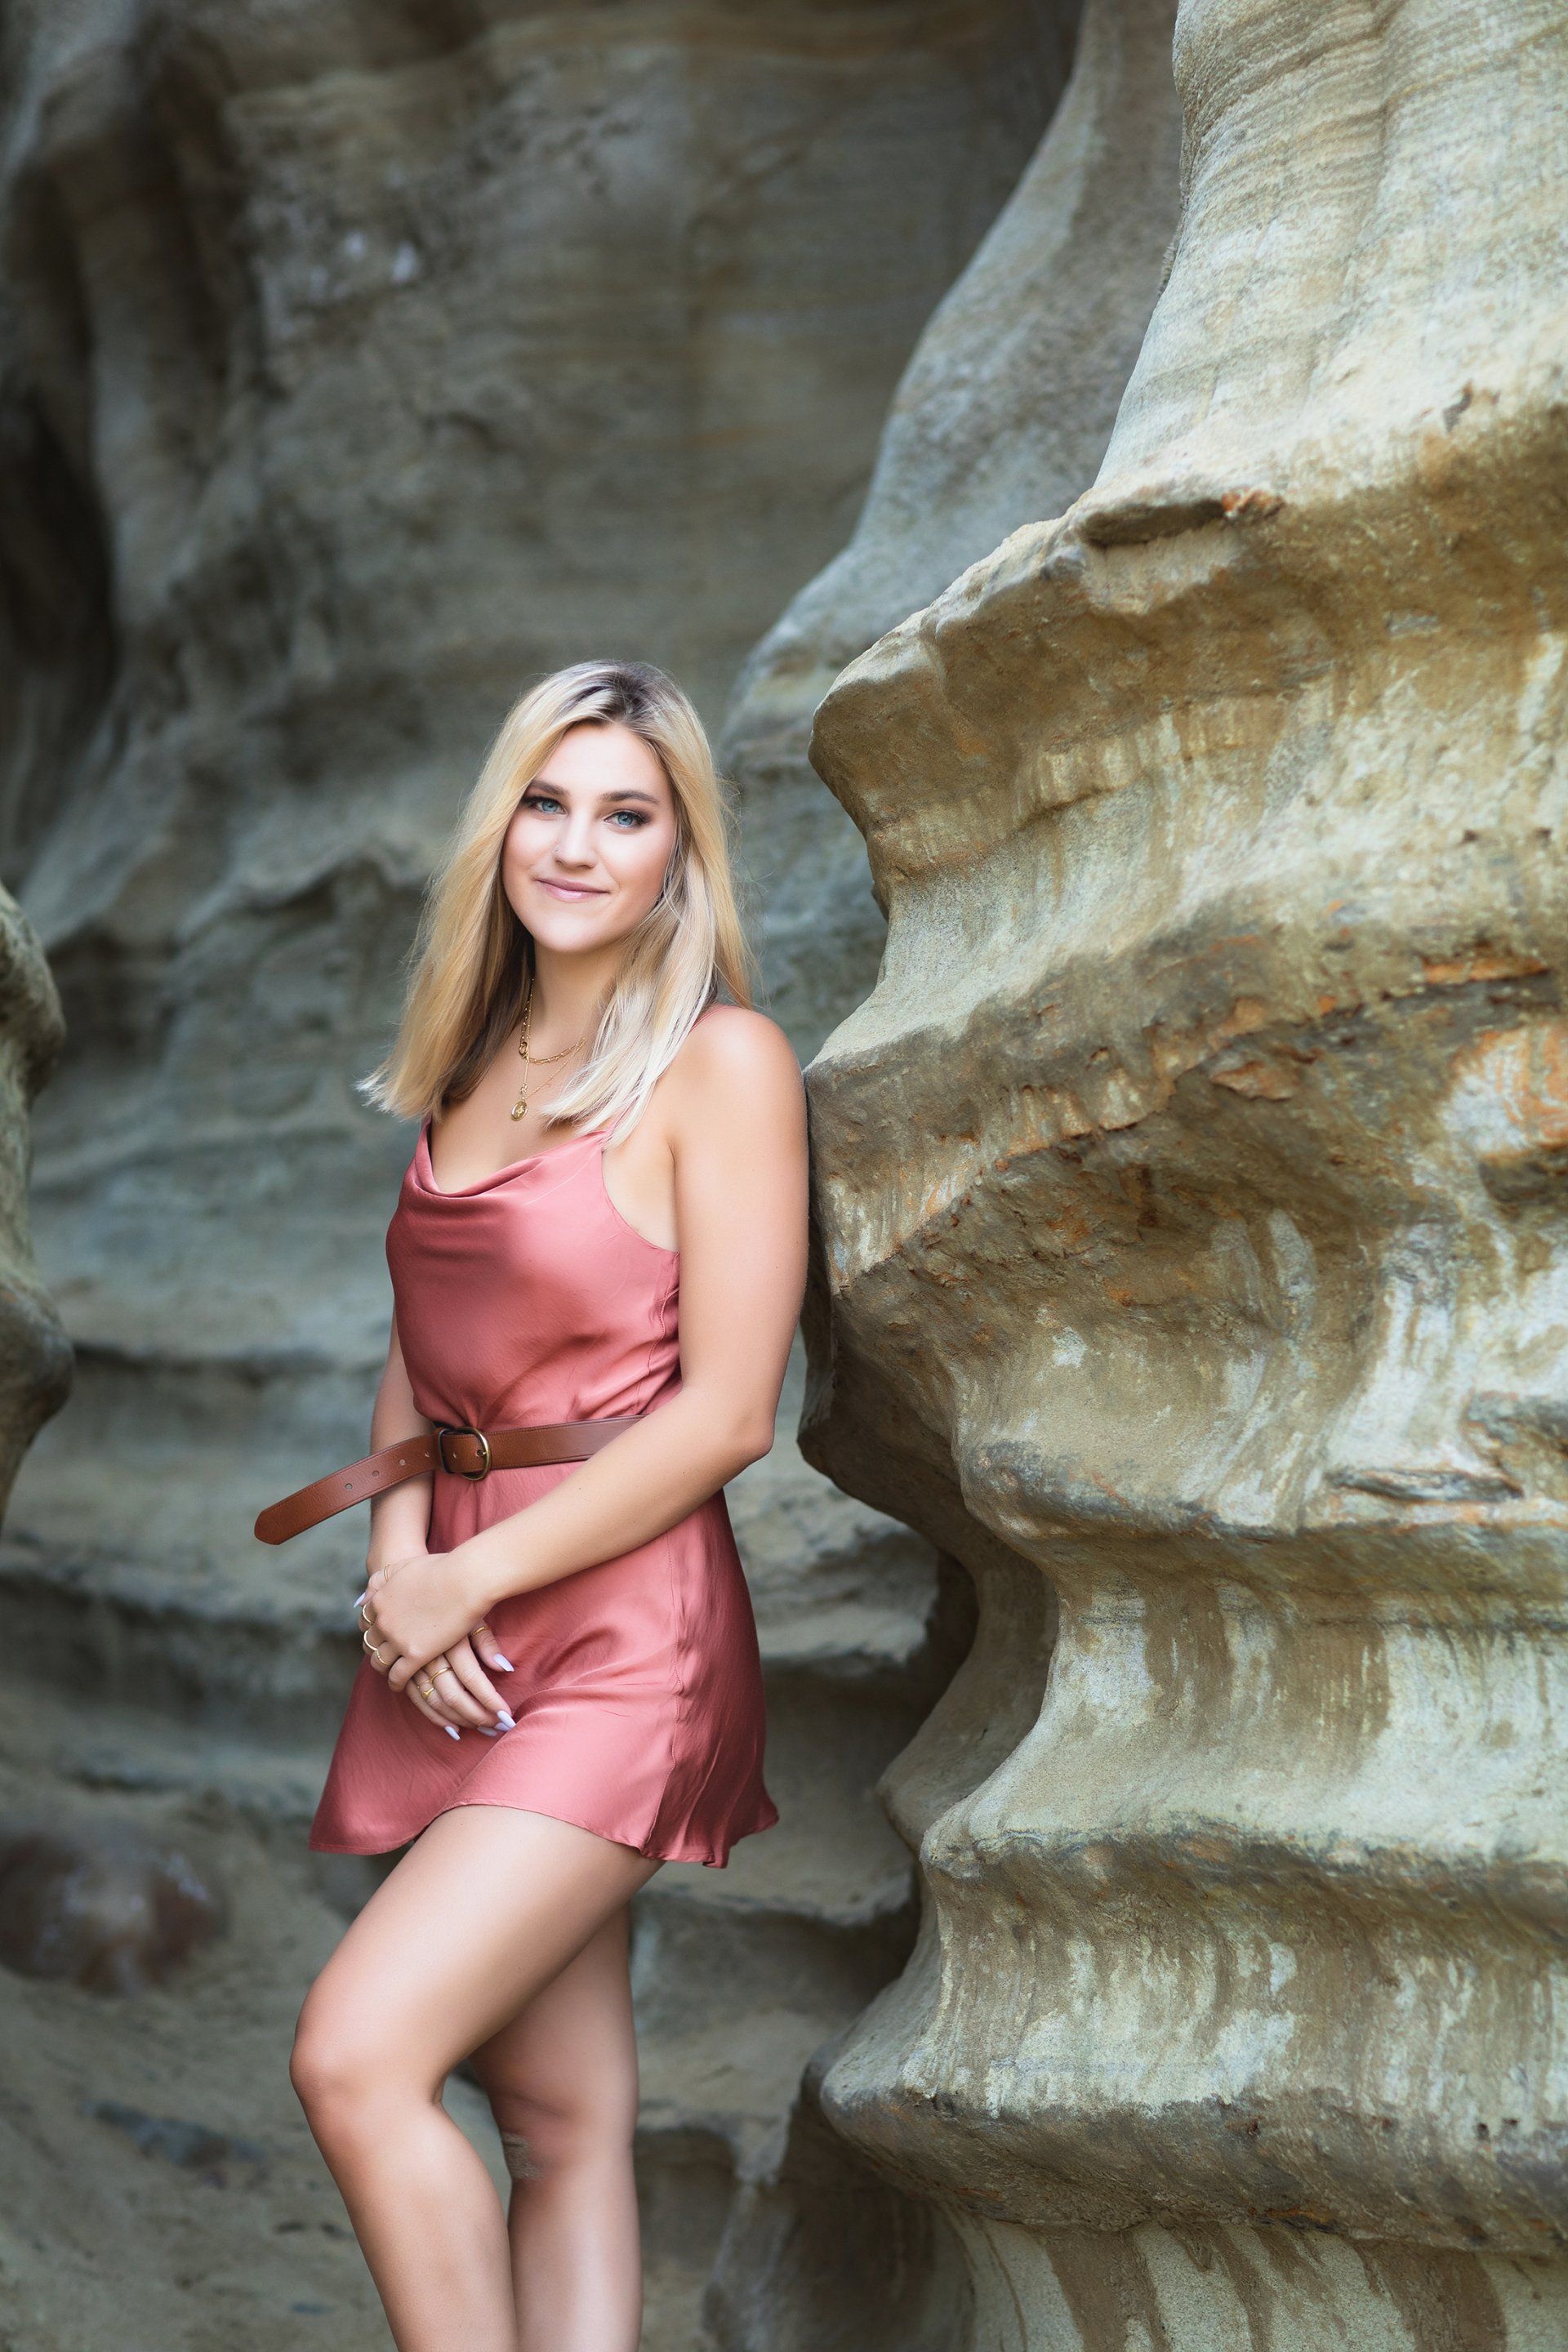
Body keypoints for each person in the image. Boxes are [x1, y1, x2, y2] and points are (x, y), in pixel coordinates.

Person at [284, 658, 807, 2352]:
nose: (578, 844)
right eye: (548, 799)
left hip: (626, 1636)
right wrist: (396, 1567)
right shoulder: (477, 1051)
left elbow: (727, 1414)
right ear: (501, 822)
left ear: (680, 852)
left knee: (356, 2059)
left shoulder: (722, 1064)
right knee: (561, 2124)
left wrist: (463, 1577)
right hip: (455, 1618)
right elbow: (424, 1355)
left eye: (627, 813)